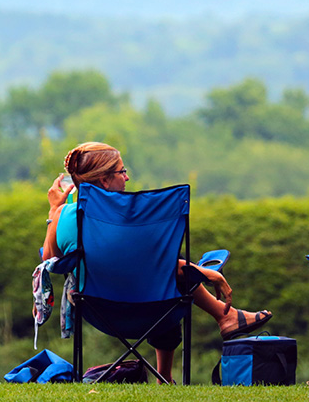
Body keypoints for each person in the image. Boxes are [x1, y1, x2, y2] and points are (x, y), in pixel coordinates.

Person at [42, 141, 271, 384]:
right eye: (122, 171)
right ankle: (168, 374)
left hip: (98, 310)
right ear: (105, 180)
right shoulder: (140, 217)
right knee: (175, 280)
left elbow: (48, 259)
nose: (127, 177)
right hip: (156, 310)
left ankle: (223, 320)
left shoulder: (64, 217)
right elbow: (154, 266)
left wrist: (54, 213)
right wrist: (203, 271)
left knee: (171, 276)